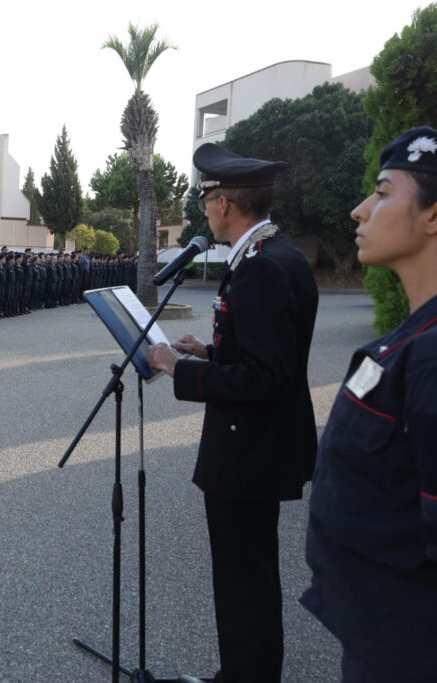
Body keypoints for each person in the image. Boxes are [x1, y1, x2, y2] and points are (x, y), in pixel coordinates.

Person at [147, 143, 318, 683]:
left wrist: (178, 368)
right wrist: (211, 352)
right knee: (251, 578)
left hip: (249, 452)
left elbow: (268, 378)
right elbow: (269, 355)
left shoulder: (261, 269)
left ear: (224, 202)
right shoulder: (276, 254)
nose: (204, 210)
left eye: (206, 199)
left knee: (244, 581)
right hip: (260, 447)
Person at [300, 125, 437, 683]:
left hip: (421, 655)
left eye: (384, 191)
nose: (358, 210)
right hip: (385, 639)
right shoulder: (424, 334)